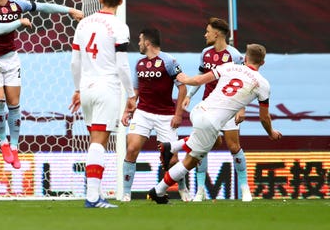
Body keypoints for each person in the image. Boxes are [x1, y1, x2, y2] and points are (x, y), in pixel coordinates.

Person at [148, 44, 282, 204]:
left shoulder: (229, 66)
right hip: (211, 122)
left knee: (214, 141)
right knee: (190, 161)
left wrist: (185, 79)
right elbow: (264, 118)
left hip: (199, 110)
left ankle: (172, 147)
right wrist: (271, 132)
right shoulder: (263, 84)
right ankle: (158, 191)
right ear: (263, 63)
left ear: (245, 58)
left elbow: (199, 79)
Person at [0, 0, 84, 169]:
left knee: (14, 104)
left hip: (11, 59)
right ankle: (3, 142)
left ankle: (14, 148)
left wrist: (69, 10)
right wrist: (19, 22)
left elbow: (43, 6)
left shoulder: (17, 4)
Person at [69, 0, 134, 208]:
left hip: (86, 88)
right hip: (107, 88)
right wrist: (132, 95)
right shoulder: (119, 26)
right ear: (121, 1)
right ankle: (93, 196)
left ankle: (94, 195)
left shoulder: (84, 24)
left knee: (94, 141)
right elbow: (122, 65)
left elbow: (75, 61)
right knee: (99, 142)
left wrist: (77, 89)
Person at [183, 17, 250, 201]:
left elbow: (244, 82)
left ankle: (245, 188)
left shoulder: (235, 56)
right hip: (208, 107)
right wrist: (189, 95)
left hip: (229, 107)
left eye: (207, 31)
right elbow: (200, 76)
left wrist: (241, 108)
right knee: (201, 147)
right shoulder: (205, 53)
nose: (205, 34)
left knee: (234, 146)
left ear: (217, 33)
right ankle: (200, 190)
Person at [120, 28, 190, 202]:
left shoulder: (169, 61)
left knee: (172, 159)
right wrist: (127, 110)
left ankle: (182, 188)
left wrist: (178, 114)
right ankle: (126, 193)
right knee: (131, 148)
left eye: (140, 40)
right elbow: (135, 91)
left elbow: (182, 87)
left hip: (166, 116)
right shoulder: (139, 63)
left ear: (148, 43)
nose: (138, 43)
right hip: (143, 113)